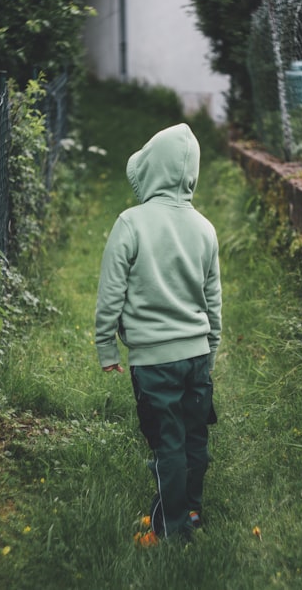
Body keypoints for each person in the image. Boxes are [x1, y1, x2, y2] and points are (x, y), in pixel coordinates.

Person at [94, 123, 222, 545]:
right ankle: (193, 508)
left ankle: (173, 528)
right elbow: (212, 298)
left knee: (167, 441)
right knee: (194, 437)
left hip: (152, 361)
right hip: (196, 356)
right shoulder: (205, 228)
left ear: (151, 170)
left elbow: (111, 290)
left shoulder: (131, 223)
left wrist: (106, 344)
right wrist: (212, 346)